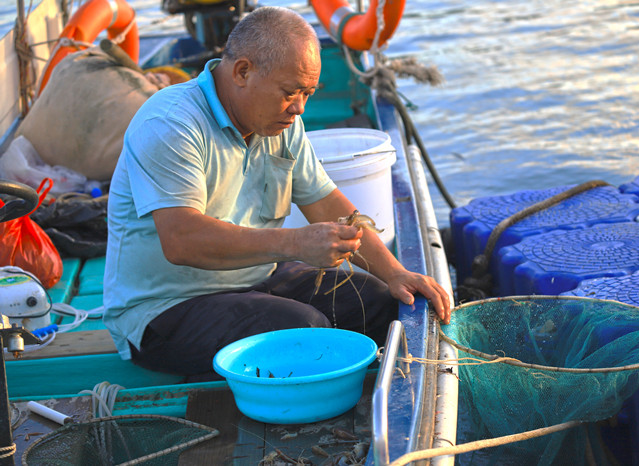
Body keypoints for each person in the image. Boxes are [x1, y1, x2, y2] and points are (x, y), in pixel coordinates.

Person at [104, 6, 451, 380]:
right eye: (290, 92)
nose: (300, 107)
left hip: (254, 277)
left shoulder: (281, 122)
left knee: (379, 303)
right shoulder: (171, 124)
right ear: (242, 72)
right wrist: (296, 244)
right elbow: (182, 240)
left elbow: (326, 203)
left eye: (308, 93)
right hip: (166, 308)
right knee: (307, 330)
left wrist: (395, 272)